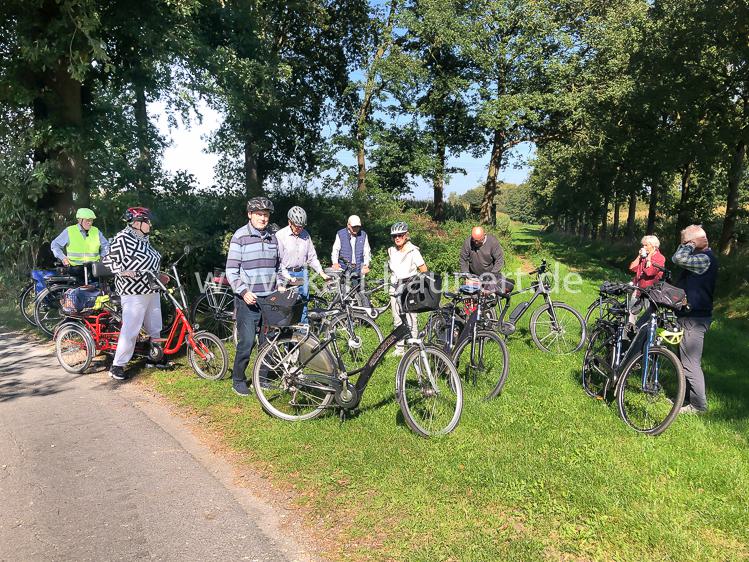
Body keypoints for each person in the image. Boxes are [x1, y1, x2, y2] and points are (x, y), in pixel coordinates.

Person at [226, 196, 288, 397]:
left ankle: (261, 378)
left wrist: (280, 283)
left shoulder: (273, 237)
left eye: (266, 215)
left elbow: (278, 266)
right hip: (248, 300)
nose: (263, 218)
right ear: (250, 215)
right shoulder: (240, 236)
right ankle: (238, 380)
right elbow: (231, 271)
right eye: (259, 214)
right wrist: (243, 292)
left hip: (269, 298)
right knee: (246, 342)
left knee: (267, 341)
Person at [103, 207, 163, 381]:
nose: (150, 224)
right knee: (131, 329)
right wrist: (123, 271)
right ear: (137, 223)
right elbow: (108, 261)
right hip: (133, 291)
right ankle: (117, 366)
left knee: (155, 325)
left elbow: (150, 261)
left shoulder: (144, 239)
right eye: (147, 221)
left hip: (151, 288)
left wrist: (160, 275)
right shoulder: (123, 238)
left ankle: (155, 357)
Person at [671, 224, 718, 415]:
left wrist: (690, 244)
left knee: (690, 362)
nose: (683, 246)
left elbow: (677, 258)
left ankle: (698, 406)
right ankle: (685, 398)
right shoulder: (701, 258)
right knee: (684, 360)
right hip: (690, 316)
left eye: (686, 242)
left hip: (695, 318)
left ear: (694, 242)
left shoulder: (704, 259)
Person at [275, 206, 330, 323]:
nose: (299, 229)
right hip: (285, 274)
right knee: (286, 306)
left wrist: (321, 273)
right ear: (289, 222)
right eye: (297, 226)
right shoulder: (280, 236)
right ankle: (286, 337)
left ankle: (303, 334)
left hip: (301, 272)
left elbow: (312, 257)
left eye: (302, 226)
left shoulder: (305, 235)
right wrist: (286, 277)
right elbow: (277, 261)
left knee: (303, 303)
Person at [387, 222, 428, 356]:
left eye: (400, 235)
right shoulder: (391, 250)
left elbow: (423, 270)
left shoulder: (413, 251)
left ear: (406, 236)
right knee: (397, 319)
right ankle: (399, 348)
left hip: (409, 288)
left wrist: (416, 284)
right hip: (395, 288)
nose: (397, 238)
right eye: (394, 236)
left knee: (411, 319)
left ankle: (413, 348)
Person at [331, 214, 372, 305]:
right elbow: (335, 250)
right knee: (344, 293)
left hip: (358, 268)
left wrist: (366, 265)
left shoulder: (363, 235)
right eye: (354, 227)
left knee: (361, 293)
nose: (356, 229)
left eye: (358, 227)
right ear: (348, 225)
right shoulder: (340, 234)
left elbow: (367, 252)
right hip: (345, 268)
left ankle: (362, 314)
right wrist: (335, 263)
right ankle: (344, 314)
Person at [627, 235, 666, 325]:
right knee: (630, 312)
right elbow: (632, 268)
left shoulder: (660, 258)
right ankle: (629, 333)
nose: (643, 247)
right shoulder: (644, 256)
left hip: (650, 291)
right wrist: (639, 256)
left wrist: (649, 258)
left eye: (646, 245)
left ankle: (645, 335)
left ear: (653, 246)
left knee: (649, 315)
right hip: (638, 289)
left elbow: (649, 272)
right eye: (643, 245)